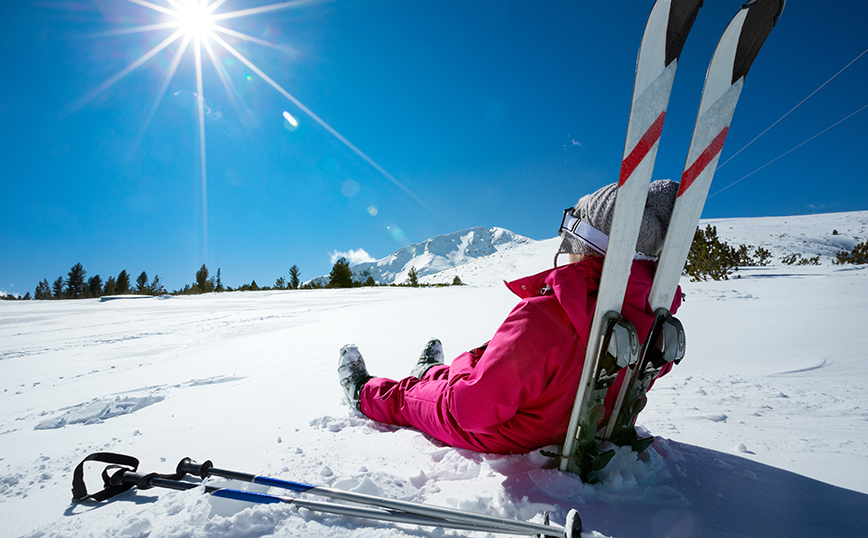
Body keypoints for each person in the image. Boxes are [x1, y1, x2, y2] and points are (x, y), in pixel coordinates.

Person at [337, 180, 682, 454]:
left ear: (584, 245)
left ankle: (364, 392)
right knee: (476, 363)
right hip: (574, 421)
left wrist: (450, 386)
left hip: (512, 434)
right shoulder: (653, 319)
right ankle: (433, 372)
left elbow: (470, 410)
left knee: (413, 398)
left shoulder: (546, 318)